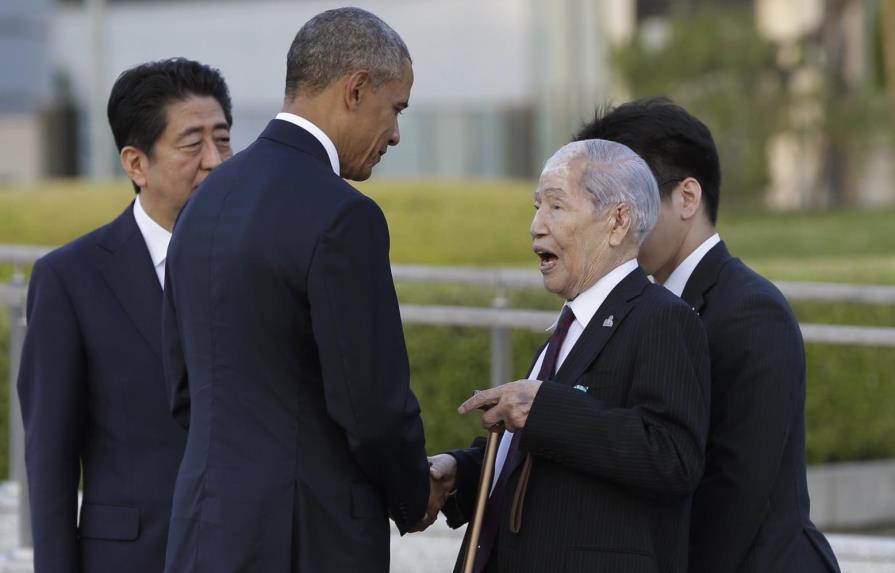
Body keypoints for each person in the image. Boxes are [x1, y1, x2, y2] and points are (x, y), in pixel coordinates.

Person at [161, 8, 439, 573]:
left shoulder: (203, 202)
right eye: (397, 108)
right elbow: (373, 409)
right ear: (356, 89)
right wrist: (415, 495)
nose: (395, 134)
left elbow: (184, 387)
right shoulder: (344, 216)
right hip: (308, 540)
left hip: (203, 530)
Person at [574, 97, 841, 573]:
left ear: (687, 198)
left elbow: (734, 493)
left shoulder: (751, 312)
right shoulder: (633, 308)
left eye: (629, 199)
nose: (615, 222)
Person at [430, 139, 711, 573]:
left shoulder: (661, 318)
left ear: (617, 221)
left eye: (556, 207)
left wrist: (543, 406)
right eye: (537, 207)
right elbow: (540, 459)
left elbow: (672, 457)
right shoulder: (571, 326)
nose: (536, 226)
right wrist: (460, 473)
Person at [17, 58, 233, 573]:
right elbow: (50, 462)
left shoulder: (260, 263)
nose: (216, 161)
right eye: (192, 143)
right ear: (136, 164)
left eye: (223, 140)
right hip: (132, 556)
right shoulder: (71, 279)